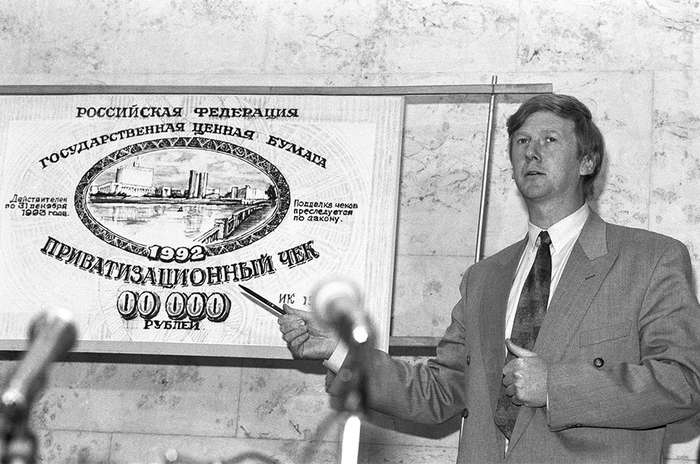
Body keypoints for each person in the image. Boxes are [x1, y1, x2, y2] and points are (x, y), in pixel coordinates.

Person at [278, 94, 700, 463]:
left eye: (550, 140)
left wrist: (555, 387)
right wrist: (338, 351)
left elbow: (684, 383)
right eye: (522, 142)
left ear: (587, 161)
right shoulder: (484, 277)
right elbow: (442, 390)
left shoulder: (651, 259)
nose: (532, 153)